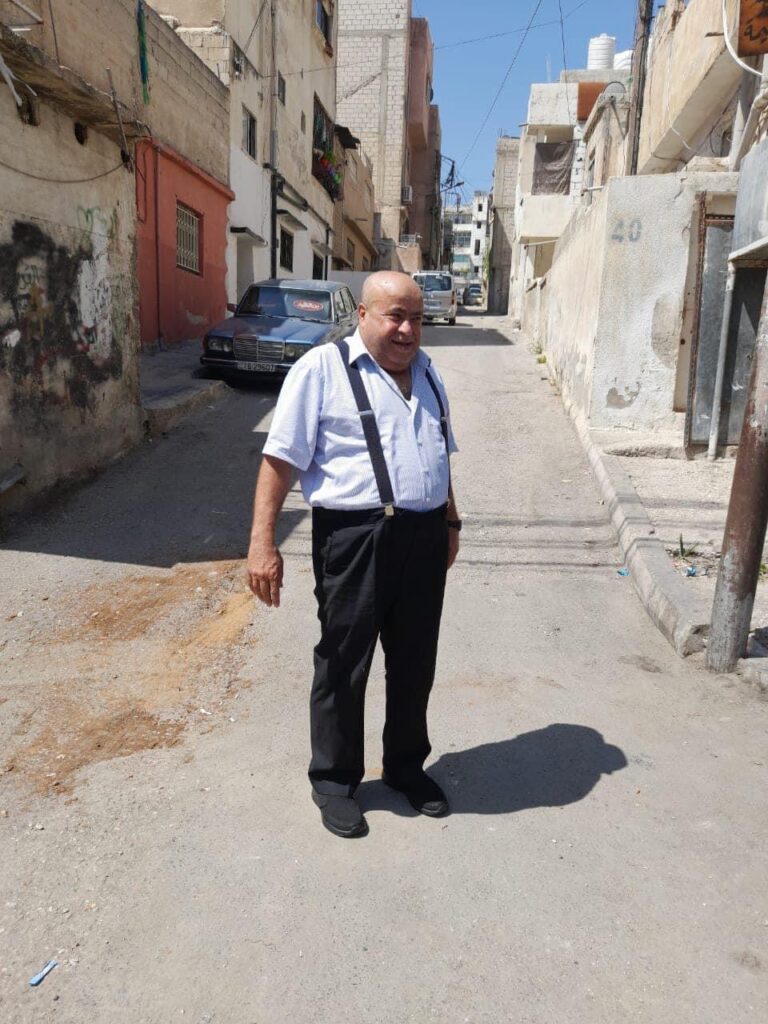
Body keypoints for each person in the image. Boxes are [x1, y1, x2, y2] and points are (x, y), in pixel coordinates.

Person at [246, 271, 461, 838]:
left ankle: (405, 767)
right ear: (362, 315)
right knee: (344, 660)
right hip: (354, 537)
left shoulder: (429, 373)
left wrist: (450, 519)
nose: (407, 330)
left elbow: (438, 452)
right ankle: (335, 780)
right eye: (395, 316)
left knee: (415, 660)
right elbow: (280, 460)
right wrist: (262, 543)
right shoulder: (321, 370)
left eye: (416, 318)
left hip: (424, 536)